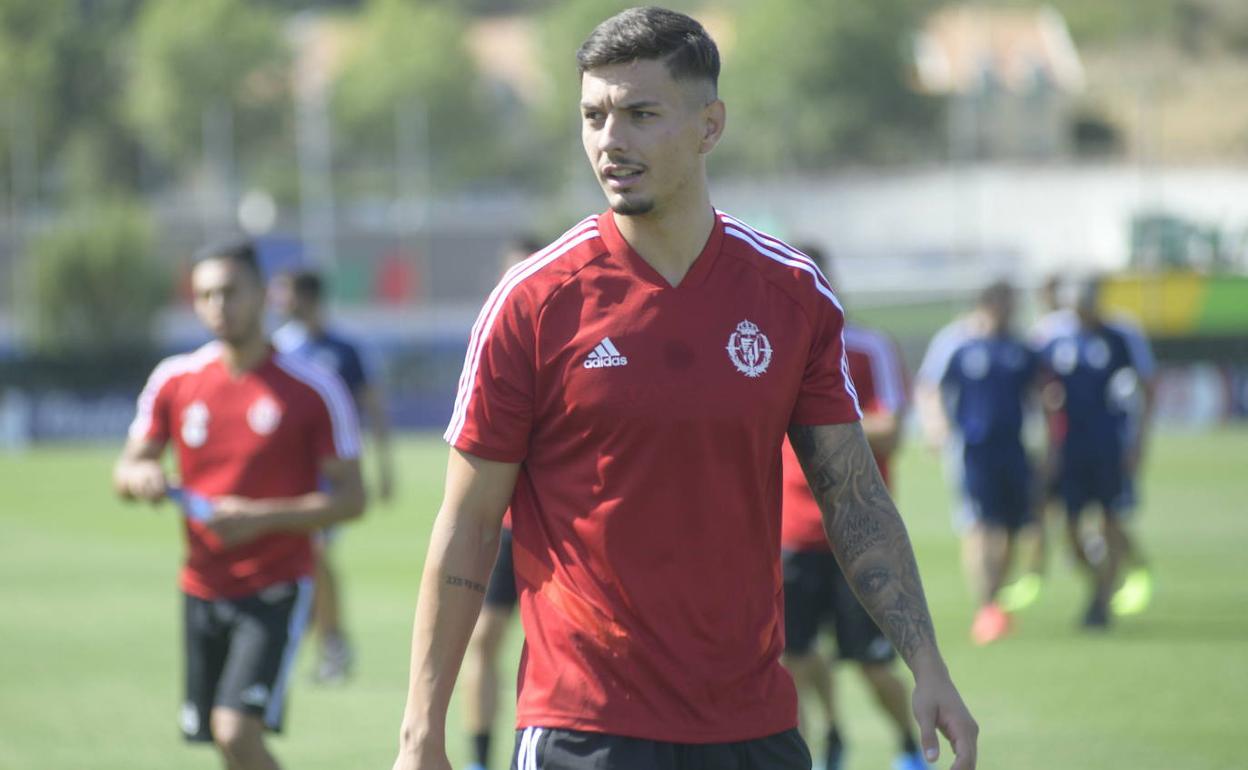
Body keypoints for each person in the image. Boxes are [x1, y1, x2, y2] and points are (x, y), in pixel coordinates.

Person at [392, 9, 977, 770]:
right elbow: (468, 525)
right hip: (584, 726)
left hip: (754, 728)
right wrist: (420, 734)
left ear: (710, 126)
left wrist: (926, 661)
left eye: (640, 114)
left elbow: (853, 496)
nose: (611, 140)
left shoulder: (791, 296)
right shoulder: (533, 303)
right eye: (594, 116)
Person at [113, 239, 366, 770]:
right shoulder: (175, 379)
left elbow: (351, 498)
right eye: (205, 294)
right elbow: (127, 467)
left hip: (277, 583)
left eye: (230, 291)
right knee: (223, 740)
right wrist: (143, 478)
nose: (218, 305)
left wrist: (261, 518)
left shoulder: (311, 387)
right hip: (201, 584)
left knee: (235, 731)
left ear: (262, 295)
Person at [779, 245, 928, 770]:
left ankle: (908, 745)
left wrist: (814, 422)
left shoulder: (865, 346)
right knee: (792, 659)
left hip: (857, 534)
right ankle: (827, 742)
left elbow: (890, 431)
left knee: (871, 662)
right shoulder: (763, 345)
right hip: (788, 536)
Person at [270, 268, 396, 683]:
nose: (276, 298)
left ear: (304, 297)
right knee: (299, 559)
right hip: (288, 473)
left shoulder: (347, 348)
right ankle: (307, 639)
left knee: (316, 551)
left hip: (332, 474)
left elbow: (374, 408)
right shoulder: (279, 348)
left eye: (283, 290)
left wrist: (384, 468)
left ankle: (333, 644)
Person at [459, 234, 545, 770]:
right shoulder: (493, 339)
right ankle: (479, 757)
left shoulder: (568, 335)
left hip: (555, 533)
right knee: (484, 639)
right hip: (505, 525)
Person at [915, 282, 1039, 645]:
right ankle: (986, 607)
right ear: (988, 304)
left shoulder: (1019, 346)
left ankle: (994, 600)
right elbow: (930, 386)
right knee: (979, 525)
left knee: (1013, 528)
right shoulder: (955, 341)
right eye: (1006, 305)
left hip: (1013, 450)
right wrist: (936, 426)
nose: (1010, 312)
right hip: (971, 450)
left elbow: (1039, 394)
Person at [1027, 274, 1156, 617]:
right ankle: (1101, 580)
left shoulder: (1121, 334)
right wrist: (1048, 441)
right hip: (1068, 447)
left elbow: (1148, 384)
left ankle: (1101, 602)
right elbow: (1037, 385)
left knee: (1109, 520)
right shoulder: (1052, 335)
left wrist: (1139, 441)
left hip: (1109, 444)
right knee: (1069, 529)